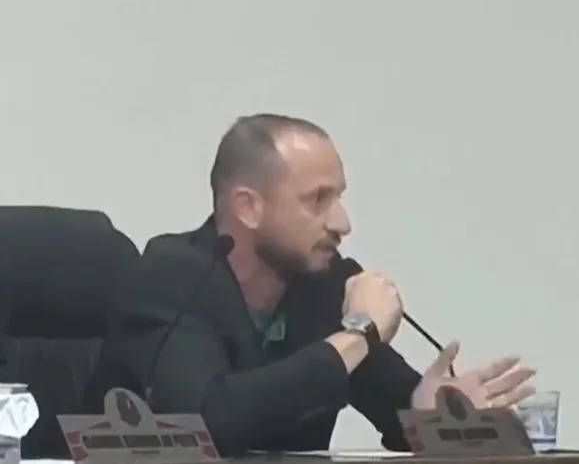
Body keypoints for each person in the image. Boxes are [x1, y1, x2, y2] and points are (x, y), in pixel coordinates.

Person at [84, 113, 536, 456]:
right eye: (318, 200)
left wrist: (432, 411)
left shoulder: (322, 285)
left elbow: (395, 409)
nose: (342, 223)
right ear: (248, 207)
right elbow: (212, 423)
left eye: (339, 197)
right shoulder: (171, 277)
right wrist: (358, 333)